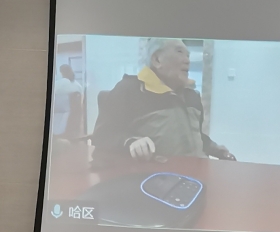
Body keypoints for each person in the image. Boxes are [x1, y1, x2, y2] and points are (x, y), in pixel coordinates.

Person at [92, 38, 235, 162]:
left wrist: (216, 149)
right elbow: (102, 136)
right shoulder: (130, 90)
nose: (187, 60)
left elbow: (195, 136)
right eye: (179, 52)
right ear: (157, 60)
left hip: (197, 174)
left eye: (188, 55)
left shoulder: (192, 96)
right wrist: (130, 142)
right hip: (158, 178)